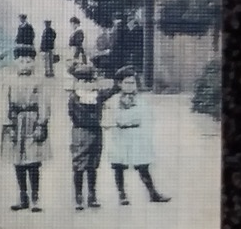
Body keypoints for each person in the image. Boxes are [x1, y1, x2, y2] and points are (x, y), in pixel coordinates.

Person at [106, 66, 171, 205]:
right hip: (120, 134)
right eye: (127, 83)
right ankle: (122, 194)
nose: (130, 86)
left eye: (133, 83)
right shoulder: (114, 100)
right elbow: (110, 118)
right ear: (119, 84)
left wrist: (145, 136)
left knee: (143, 165)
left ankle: (153, 193)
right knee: (119, 164)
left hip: (137, 135)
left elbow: (147, 118)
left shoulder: (141, 100)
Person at [65, 63, 120, 210]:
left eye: (89, 81)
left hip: (95, 133)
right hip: (81, 133)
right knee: (79, 165)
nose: (86, 84)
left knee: (92, 165)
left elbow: (112, 91)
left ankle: (92, 194)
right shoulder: (74, 98)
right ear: (77, 82)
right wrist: (96, 120)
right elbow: (77, 116)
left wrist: (118, 79)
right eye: (82, 81)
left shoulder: (97, 96)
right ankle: (78, 196)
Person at [2, 73, 53, 212]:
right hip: (16, 122)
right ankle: (22, 197)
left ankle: (35, 198)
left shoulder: (38, 81)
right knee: (18, 160)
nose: (25, 63)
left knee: (33, 161)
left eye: (29, 60)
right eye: (21, 60)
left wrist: (41, 124)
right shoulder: (9, 80)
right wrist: (8, 125)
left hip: (32, 120)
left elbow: (44, 103)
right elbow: (5, 104)